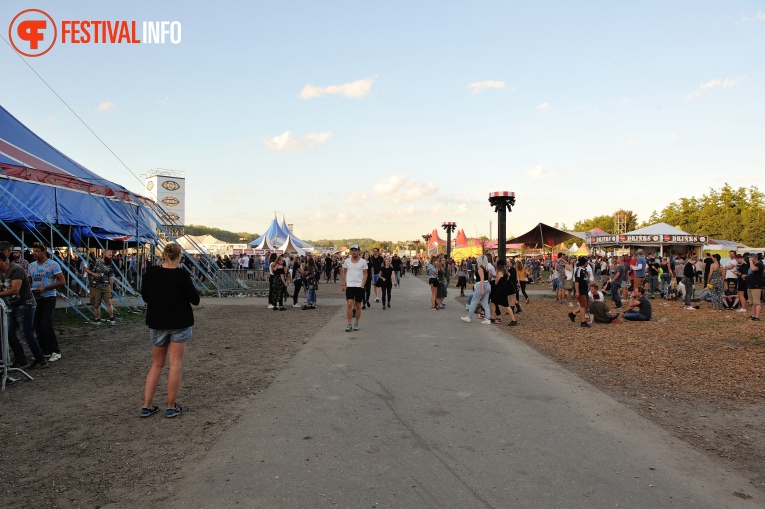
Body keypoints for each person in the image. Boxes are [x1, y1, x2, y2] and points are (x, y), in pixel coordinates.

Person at [140, 243, 200, 419]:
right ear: (179, 256)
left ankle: (146, 405)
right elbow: (194, 300)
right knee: (175, 365)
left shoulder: (151, 273)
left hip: (157, 322)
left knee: (156, 364)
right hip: (179, 322)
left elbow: (145, 296)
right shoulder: (181, 275)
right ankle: (171, 406)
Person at [0, 251, 49, 369]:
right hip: (13, 305)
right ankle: (21, 360)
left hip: (25, 304)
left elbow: (15, 290)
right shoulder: (1, 273)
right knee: (9, 333)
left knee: (26, 334)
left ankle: (41, 359)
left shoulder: (16, 269)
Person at [28, 243, 66, 362]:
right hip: (35, 297)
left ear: (44, 252)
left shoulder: (53, 264)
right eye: (33, 251)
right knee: (37, 325)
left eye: (37, 251)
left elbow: (62, 281)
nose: (34, 253)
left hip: (49, 297)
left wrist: (46, 288)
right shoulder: (31, 266)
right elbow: (29, 280)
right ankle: (44, 351)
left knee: (46, 324)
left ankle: (55, 351)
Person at [84, 250, 116, 326]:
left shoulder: (110, 265)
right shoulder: (95, 261)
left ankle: (112, 319)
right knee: (96, 304)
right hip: (95, 287)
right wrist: (93, 273)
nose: (111, 257)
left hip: (106, 286)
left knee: (109, 303)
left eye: (111, 255)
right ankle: (98, 319)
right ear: (104, 255)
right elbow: (86, 269)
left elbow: (110, 278)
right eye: (109, 255)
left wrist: (111, 288)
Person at [341, 244, 368, 331]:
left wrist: (363, 284)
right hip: (350, 285)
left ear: (358, 251)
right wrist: (342, 283)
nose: (354, 252)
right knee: (349, 304)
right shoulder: (347, 261)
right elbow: (344, 273)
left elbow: (365, 273)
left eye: (355, 250)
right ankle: (349, 324)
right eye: (352, 250)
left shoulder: (363, 262)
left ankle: (356, 323)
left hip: (359, 286)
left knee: (358, 305)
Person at [461, 255, 492, 325]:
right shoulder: (487, 268)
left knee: (474, 301)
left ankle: (469, 317)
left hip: (481, 285)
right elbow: (489, 277)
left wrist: (481, 289)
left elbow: (482, 278)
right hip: (488, 285)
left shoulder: (480, 268)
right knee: (485, 304)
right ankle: (488, 318)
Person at [568, 257, 591, 327]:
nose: (587, 263)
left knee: (586, 305)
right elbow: (577, 282)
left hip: (585, 290)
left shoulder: (585, 270)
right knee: (583, 306)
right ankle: (583, 321)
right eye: (586, 262)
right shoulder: (579, 270)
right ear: (584, 262)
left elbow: (585, 279)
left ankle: (573, 314)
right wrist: (577, 291)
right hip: (581, 290)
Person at [746, 252, 763, 321]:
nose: (750, 259)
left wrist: (750, 262)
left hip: (756, 285)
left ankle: (757, 316)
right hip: (750, 285)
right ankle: (753, 315)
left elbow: (754, 269)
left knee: (756, 302)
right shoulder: (752, 264)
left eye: (751, 258)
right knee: (752, 302)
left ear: (755, 258)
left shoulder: (760, 264)